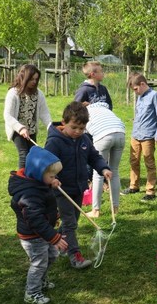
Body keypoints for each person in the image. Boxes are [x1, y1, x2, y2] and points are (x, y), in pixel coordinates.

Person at [45, 102, 112, 269]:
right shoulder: (54, 142)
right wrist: (52, 179)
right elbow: (46, 166)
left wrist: (103, 168)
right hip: (62, 190)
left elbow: (93, 156)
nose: (77, 132)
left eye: (82, 128)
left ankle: (56, 243)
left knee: (72, 220)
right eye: (74, 127)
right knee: (70, 223)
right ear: (64, 122)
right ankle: (75, 256)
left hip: (79, 188)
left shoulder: (84, 140)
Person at [8, 146, 68, 304]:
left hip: (43, 232)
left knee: (52, 256)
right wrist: (54, 237)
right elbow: (35, 220)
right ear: (38, 173)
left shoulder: (38, 183)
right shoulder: (29, 194)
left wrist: (50, 182)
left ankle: (40, 280)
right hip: (33, 236)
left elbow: (44, 198)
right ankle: (32, 292)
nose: (55, 178)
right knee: (39, 263)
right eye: (52, 175)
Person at [121, 73, 157, 202]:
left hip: (148, 136)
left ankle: (150, 191)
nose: (135, 92)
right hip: (136, 135)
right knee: (133, 161)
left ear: (142, 84)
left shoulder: (155, 96)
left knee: (149, 163)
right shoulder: (140, 97)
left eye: (135, 89)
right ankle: (133, 186)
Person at [4, 64, 52, 169]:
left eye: (36, 79)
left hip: (31, 130)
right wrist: (20, 128)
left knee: (33, 155)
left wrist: (51, 127)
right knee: (24, 154)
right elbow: (7, 115)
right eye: (31, 79)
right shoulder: (13, 93)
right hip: (17, 130)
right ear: (23, 78)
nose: (34, 82)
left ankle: (30, 177)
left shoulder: (39, 94)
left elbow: (44, 113)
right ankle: (21, 181)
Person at [85, 102, 125, 218]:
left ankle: (95, 210)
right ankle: (115, 208)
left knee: (98, 173)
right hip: (120, 133)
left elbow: (85, 136)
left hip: (102, 135)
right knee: (114, 171)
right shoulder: (104, 108)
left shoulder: (85, 113)